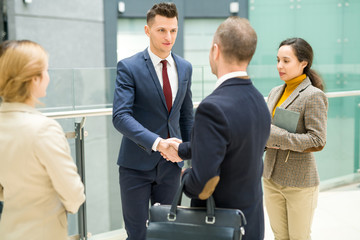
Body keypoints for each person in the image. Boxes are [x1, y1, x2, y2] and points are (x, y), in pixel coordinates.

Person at [163, 17, 271, 240]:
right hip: (250, 222)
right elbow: (234, 144)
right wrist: (183, 149)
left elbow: (203, 184)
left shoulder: (212, 107)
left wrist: (185, 177)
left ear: (215, 50)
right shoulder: (259, 100)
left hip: (220, 226)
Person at [112, 2, 193, 240]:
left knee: (168, 232)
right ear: (148, 31)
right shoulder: (129, 67)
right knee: (137, 234)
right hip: (135, 166)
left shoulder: (185, 68)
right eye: (161, 30)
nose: (169, 37)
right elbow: (120, 116)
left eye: (173, 30)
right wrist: (158, 143)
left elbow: (187, 116)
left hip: (172, 167)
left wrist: (188, 155)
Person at [0, 40, 85, 239]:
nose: (48, 77)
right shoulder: (44, 129)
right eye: (45, 70)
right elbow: (74, 196)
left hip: (9, 230)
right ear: (34, 79)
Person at [263, 38, 328, 240]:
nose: (279, 66)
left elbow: (317, 140)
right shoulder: (275, 92)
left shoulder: (313, 96)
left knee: (299, 237)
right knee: (279, 236)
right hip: (270, 178)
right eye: (278, 60)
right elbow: (266, 133)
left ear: (303, 63)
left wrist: (274, 134)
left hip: (299, 182)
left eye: (286, 61)